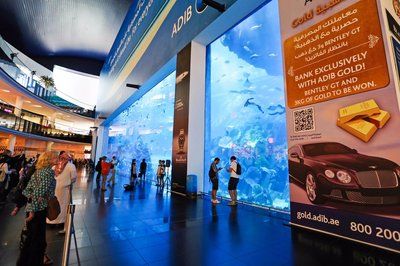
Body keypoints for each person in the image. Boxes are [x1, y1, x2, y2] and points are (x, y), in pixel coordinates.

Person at [17, 151, 58, 266]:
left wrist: (31, 203)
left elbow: (26, 191)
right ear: (49, 159)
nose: (57, 159)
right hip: (39, 210)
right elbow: (39, 192)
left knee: (31, 238)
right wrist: (32, 211)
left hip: (32, 207)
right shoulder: (49, 172)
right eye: (55, 157)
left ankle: (24, 261)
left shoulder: (37, 172)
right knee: (38, 239)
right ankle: (35, 261)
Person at [47, 152, 77, 234]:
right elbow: (74, 178)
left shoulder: (54, 166)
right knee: (63, 205)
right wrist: (70, 182)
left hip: (54, 187)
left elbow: (50, 175)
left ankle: (51, 221)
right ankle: (61, 221)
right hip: (65, 189)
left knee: (53, 204)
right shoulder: (71, 166)